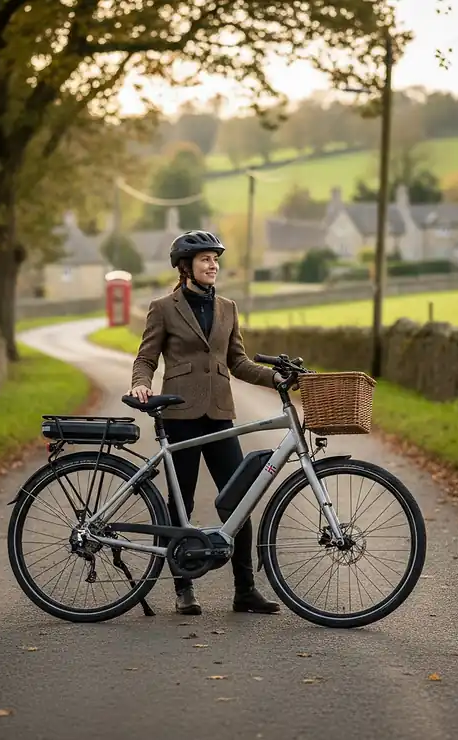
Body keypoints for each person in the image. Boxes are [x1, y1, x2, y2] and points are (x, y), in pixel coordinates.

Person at [127, 230, 283, 617]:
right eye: (205, 259)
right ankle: (184, 589)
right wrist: (141, 385)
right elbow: (146, 358)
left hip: (219, 414)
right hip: (179, 415)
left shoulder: (228, 307)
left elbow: (239, 363)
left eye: (216, 259)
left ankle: (245, 590)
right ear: (185, 267)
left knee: (240, 501)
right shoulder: (163, 307)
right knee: (182, 501)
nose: (213, 265)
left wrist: (275, 378)